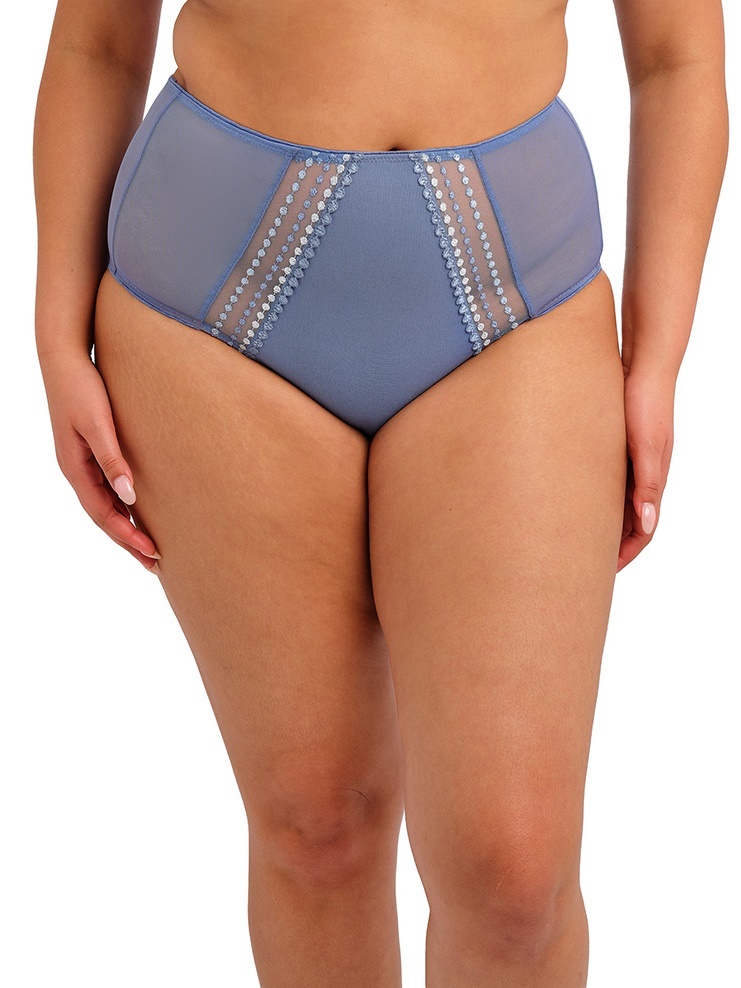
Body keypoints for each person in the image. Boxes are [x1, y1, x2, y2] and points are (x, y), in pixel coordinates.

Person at [33, 0, 728, 984]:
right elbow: (98, 42)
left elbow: (677, 56)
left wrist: (657, 358)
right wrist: (55, 334)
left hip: (515, 308)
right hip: (213, 302)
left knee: (515, 880)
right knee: (315, 827)